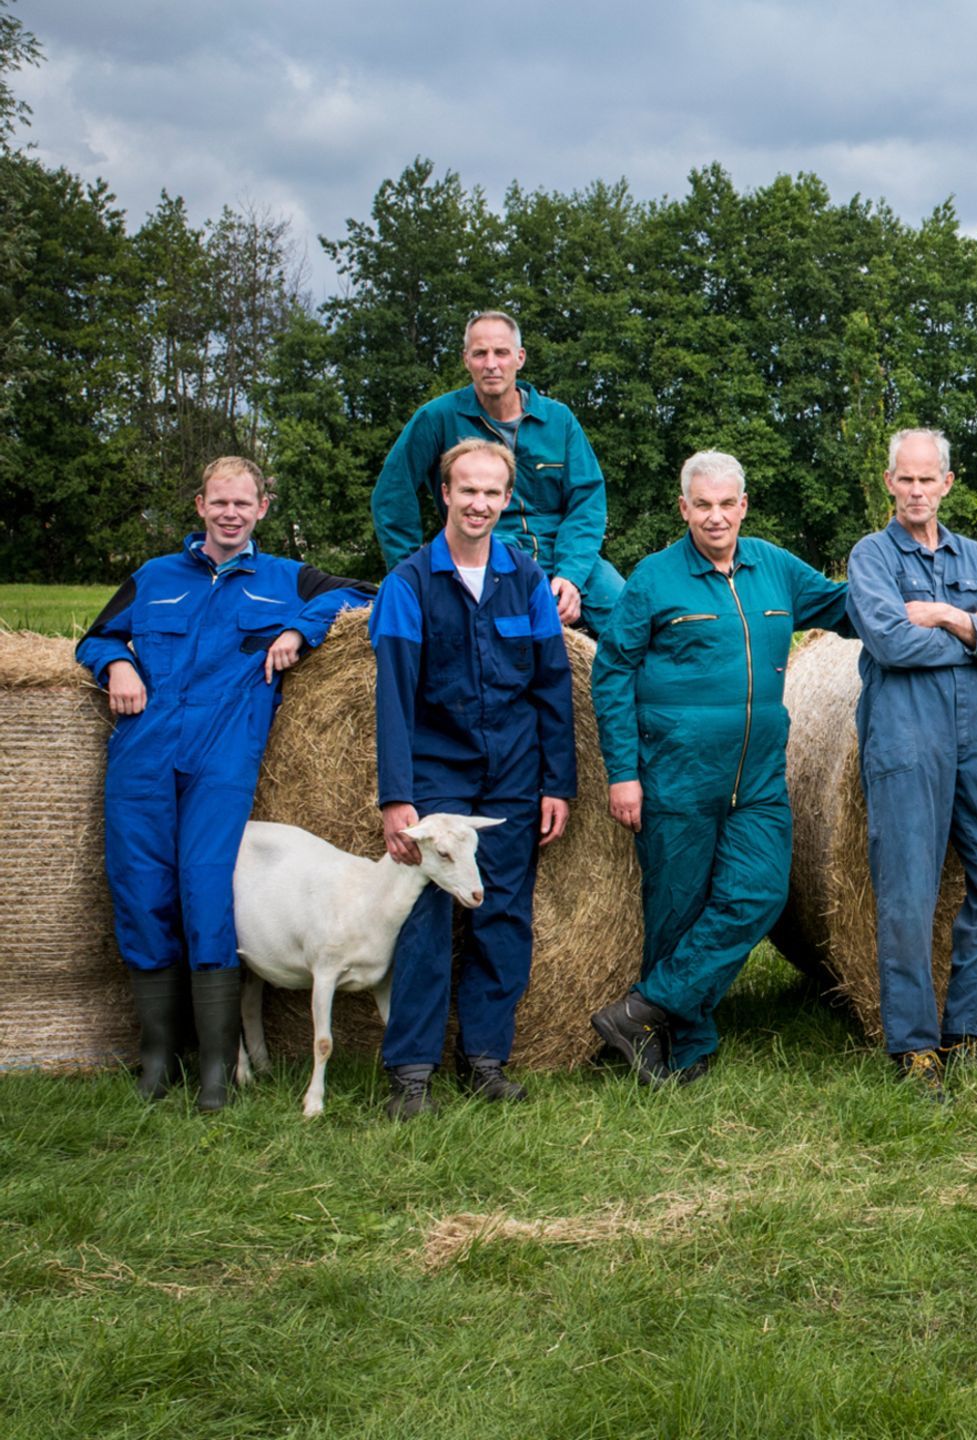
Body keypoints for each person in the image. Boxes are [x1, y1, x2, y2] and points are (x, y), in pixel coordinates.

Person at [77, 457, 372, 1111]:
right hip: (142, 758)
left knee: (208, 892)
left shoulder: (284, 579)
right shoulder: (154, 578)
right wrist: (118, 664)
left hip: (222, 758)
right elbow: (95, 639)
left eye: (243, 503)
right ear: (200, 506)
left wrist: (300, 626)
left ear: (262, 508)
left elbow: (363, 592)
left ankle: (216, 1069)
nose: (231, 513)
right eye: (220, 503)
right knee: (140, 892)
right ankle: (157, 1062)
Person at [586, 451, 857, 1085]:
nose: (715, 517)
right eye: (701, 505)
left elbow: (846, 606)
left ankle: (640, 1011)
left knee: (761, 892)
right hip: (675, 771)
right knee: (677, 909)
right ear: (684, 509)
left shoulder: (775, 569)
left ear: (743, 506)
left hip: (759, 775)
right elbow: (611, 672)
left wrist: (936, 597)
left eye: (726, 504)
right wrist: (622, 772)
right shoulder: (653, 579)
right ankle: (687, 1045)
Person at [372, 439, 578, 1119]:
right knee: (427, 916)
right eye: (469, 491)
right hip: (439, 771)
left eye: (493, 493)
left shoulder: (525, 579)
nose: (481, 504)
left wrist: (559, 783)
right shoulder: (409, 584)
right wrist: (397, 796)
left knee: (503, 912)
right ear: (445, 494)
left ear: (507, 498)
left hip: (515, 772)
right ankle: (411, 1072)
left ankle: (485, 1058)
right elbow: (395, 697)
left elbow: (553, 686)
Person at [845, 429, 977, 1100]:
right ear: (890, 483)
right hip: (905, 742)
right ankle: (916, 1048)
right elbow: (891, 643)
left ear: (947, 484)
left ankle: (964, 1031)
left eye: (929, 480)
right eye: (906, 480)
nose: (918, 491)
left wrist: (951, 618)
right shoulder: (870, 557)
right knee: (906, 896)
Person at [371, 309, 624, 633]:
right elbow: (392, 492)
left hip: (561, 550)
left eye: (501, 352)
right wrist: (409, 572)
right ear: (466, 359)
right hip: (484, 548)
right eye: (480, 353)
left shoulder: (558, 420)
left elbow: (587, 499)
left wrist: (571, 575)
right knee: (497, 635)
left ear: (519, 358)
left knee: (627, 616)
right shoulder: (437, 417)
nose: (491, 363)